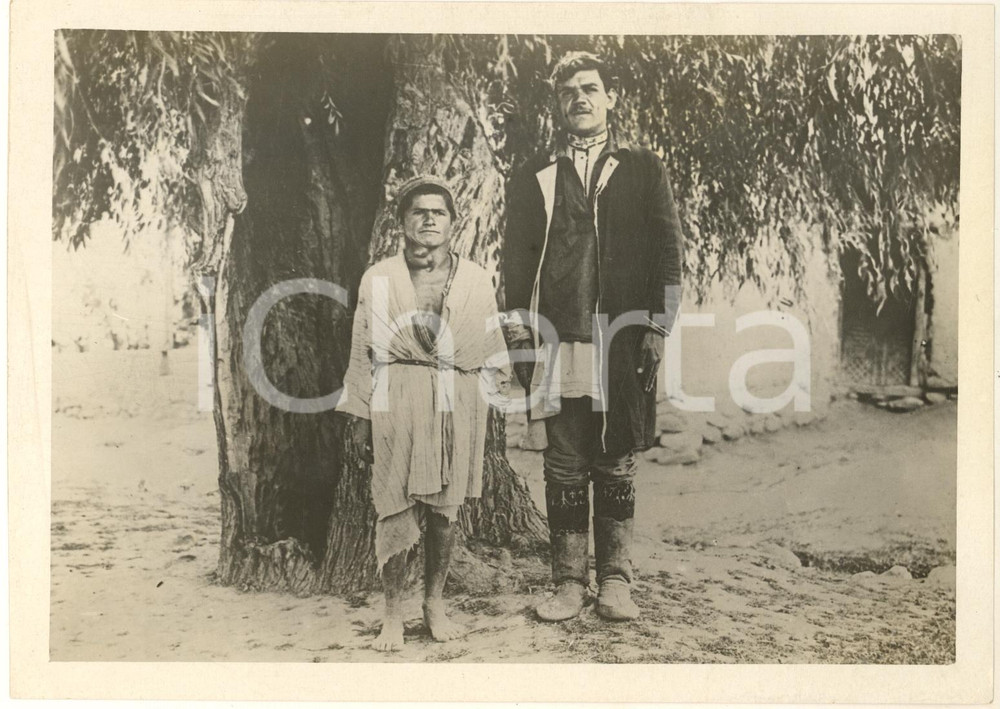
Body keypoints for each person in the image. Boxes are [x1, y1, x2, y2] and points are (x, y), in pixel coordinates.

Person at [503, 51, 683, 622]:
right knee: (562, 459)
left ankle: (616, 582)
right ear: (559, 104)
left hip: (621, 336)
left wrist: (657, 326)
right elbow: (514, 262)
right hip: (558, 336)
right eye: (568, 92)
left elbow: (670, 253)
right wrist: (517, 332)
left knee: (616, 458)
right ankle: (566, 582)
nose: (579, 98)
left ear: (610, 98)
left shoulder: (642, 168)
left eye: (590, 88)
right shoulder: (536, 175)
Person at [337, 175, 510, 651]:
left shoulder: (475, 278)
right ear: (402, 222)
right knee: (393, 505)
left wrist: (494, 407)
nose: (429, 219)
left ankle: (434, 603)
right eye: (419, 212)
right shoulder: (379, 278)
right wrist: (357, 416)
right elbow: (360, 351)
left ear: (453, 223)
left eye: (439, 212)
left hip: (458, 399)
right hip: (397, 395)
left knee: (445, 512)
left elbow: (492, 346)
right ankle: (392, 613)